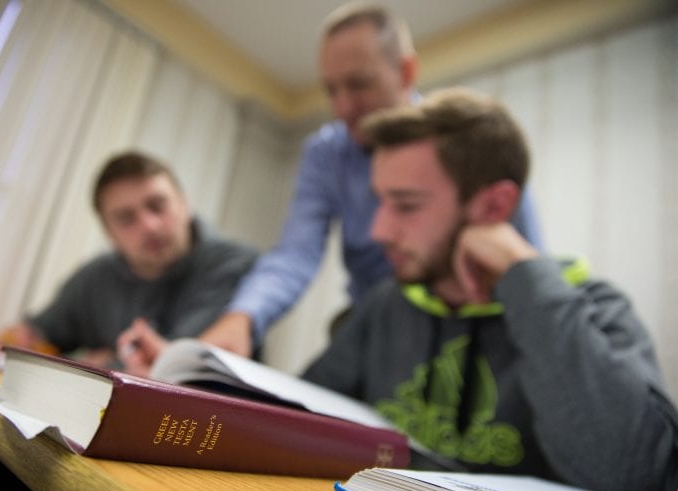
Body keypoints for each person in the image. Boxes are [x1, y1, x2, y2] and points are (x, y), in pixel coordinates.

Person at [301, 87, 678, 491]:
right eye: (381, 202)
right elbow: (298, 419)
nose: (378, 231)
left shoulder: (597, 307)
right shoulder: (387, 303)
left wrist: (525, 276)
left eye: (406, 205)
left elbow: (639, 476)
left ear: (494, 206)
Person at [200, 2, 544, 357]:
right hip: (373, 330)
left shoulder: (467, 140)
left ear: (406, 71)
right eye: (331, 90)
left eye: (359, 84)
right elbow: (296, 252)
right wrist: (243, 316)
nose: (343, 108)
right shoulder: (327, 154)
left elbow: (525, 266)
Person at [0, 150, 257, 367]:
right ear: (110, 233)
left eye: (157, 205)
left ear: (184, 205)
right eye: (126, 218)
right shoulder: (95, 276)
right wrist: (25, 337)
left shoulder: (233, 265)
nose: (149, 226)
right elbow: (41, 332)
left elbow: (174, 365)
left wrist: (102, 362)